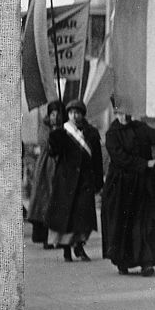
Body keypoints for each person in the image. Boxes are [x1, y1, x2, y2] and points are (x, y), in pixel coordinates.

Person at [100, 108, 155, 276]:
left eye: (128, 110)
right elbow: (120, 158)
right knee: (123, 224)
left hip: (143, 185)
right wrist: (146, 164)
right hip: (121, 187)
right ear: (115, 112)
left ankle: (146, 262)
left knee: (145, 222)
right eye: (121, 111)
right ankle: (123, 261)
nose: (126, 115)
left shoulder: (140, 128)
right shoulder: (112, 134)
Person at [44, 99, 104, 262]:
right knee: (66, 216)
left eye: (77, 113)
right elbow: (54, 151)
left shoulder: (91, 133)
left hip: (84, 181)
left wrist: (98, 182)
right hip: (66, 181)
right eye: (71, 113)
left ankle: (79, 246)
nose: (74, 116)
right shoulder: (63, 132)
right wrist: (55, 133)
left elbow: (97, 159)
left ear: (82, 114)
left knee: (82, 217)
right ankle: (66, 249)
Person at [26, 101, 62, 249]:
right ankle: (45, 238)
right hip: (46, 165)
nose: (55, 117)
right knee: (45, 201)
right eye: (53, 114)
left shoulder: (63, 126)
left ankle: (57, 238)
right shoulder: (45, 126)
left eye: (58, 114)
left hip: (60, 164)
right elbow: (45, 142)